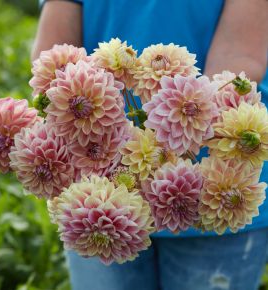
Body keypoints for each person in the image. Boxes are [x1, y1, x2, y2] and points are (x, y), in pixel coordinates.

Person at [32, 1, 268, 289]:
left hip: (216, 187)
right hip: (95, 191)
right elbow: (54, 55)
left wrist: (183, 126)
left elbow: (239, 55)